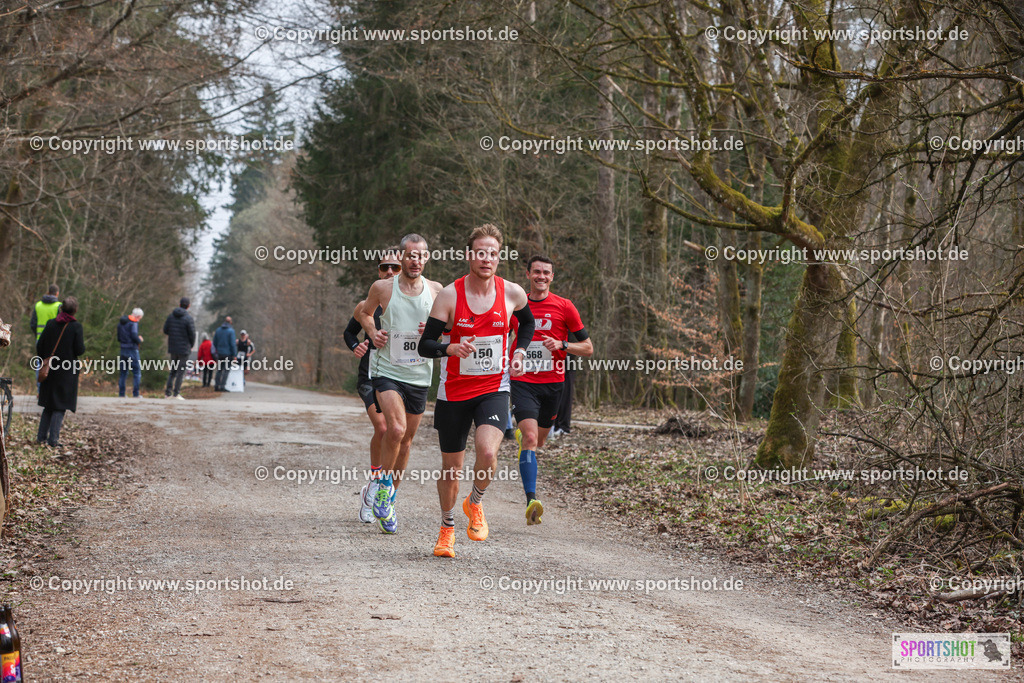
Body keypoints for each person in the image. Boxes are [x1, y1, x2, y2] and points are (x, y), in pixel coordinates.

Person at [418, 224, 535, 558]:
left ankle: (475, 502)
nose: (486, 259)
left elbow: (527, 323)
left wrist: (520, 351)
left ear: (499, 257)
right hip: (453, 391)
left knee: (487, 452)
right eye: (480, 253)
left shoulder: (512, 293)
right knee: (451, 468)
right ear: (469, 255)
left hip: (493, 387)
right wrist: (450, 349)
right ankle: (447, 528)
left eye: (492, 253)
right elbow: (426, 344)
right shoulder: (449, 296)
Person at [357, 234, 443, 534]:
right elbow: (363, 313)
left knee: (406, 442)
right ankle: (382, 485)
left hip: (419, 375)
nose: (415, 261)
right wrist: (373, 332)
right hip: (387, 371)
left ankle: (389, 499)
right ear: (402, 257)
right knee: (395, 429)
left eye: (420, 256)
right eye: (410, 255)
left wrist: (435, 331)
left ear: (426, 258)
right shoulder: (382, 287)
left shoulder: (437, 291)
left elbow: (451, 327)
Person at [510, 255, 593, 525]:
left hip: (553, 385)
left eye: (546, 272)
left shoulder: (564, 306)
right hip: (523, 382)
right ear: (528, 274)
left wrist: (563, 344)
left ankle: (525, 439)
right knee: (530, 438)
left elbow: (588, 348)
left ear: (552, 277)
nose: (541, 276)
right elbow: (498, 335)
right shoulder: (516, 305)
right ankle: (531, 501)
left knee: (539, 441)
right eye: (536, 272)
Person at [345, 247, 401, 524]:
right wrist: (355, 346)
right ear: (378, 271)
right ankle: (376, 479)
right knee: (382, 428)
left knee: (397, 432)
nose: (389, 271)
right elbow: (348, 333)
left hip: (399, 377)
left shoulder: (412, 302)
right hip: (370, 375)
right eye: (384, 267)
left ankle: (378, 490)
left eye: (395, 267)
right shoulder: (366, 305)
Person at [36, 297, 85, 448]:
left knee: (48, 405)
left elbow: (40, 345)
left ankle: (41, 438)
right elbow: (79, 350)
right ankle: (53, 440)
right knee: (59, 406)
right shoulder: (76, 327)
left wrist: (45, 359)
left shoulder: (51, 324)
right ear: (75, 310)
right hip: (66, 371)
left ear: (61, 309)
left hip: (50, 369)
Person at [163, 297, 196, 399]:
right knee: (181, 372)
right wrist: (191, 345)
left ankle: (167, 393)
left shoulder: (171, 317)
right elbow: (192, 334)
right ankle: (176, 394)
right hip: (184, 348)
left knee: (172, 371)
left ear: (179, 304)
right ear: (188, 306)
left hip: (173, 347)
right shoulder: (188, 318)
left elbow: (165, 330)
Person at [30, 284, 60, 388]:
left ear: (48, 292)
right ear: (57, 293)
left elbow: (33, 324)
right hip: (55, 341)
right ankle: (51, 390)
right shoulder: (58, 306)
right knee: (55, 365)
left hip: (39, 339)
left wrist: (38, 334)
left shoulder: (38, 305)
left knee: (40, 364)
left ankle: (40, 390)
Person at [117, 307, 145, 398]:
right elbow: (134, 335)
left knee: (123, 373)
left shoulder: (121, 323)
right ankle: (136, 394)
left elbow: (118, 337)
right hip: (132, 350)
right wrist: (139, 340)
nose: (139, 320)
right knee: (137, 372)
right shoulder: (134, 323)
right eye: (140, 318)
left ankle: (121, 394)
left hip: (123, 349)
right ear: (137, 316)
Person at [212, 317, 236, 391]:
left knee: (219, 370)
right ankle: (222, 386)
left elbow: (214, 342)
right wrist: (234, 355)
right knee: (226, 370)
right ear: (230, 322)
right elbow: (232, 344)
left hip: (220, 353)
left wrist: (218, 349)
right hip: (228, 354)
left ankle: (216, 386)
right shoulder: (231, 331)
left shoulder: (218, 330)